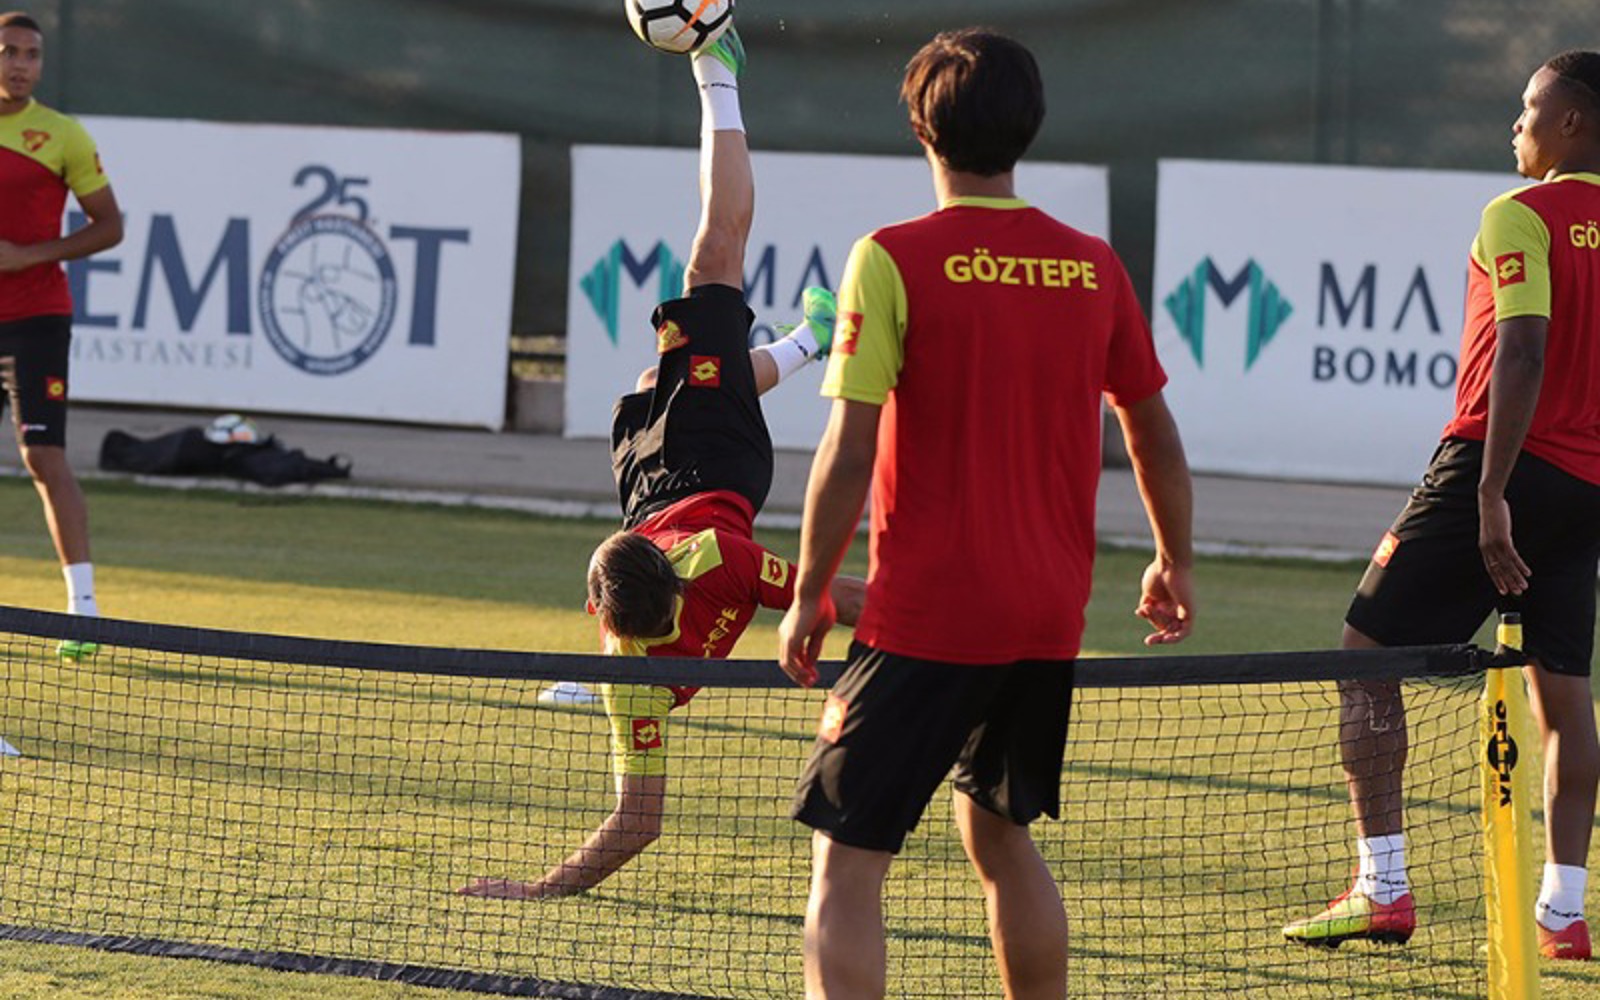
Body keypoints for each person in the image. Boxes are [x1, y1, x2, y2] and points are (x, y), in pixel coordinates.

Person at [777, 28, 1196, 1000]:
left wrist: (807, 591)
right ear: (1030, 127)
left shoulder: (889, 257)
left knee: (846, 862)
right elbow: (1152, 428)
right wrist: (1173, 558)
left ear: (920, 127)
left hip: (927, 615)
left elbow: (847, 448)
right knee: (998, 833)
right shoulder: (1092, 265)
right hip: (1045, 617)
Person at [459, 24, 865, 901]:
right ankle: (718, 67)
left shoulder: (628, 680)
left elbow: (637, 820)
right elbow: (837, 594)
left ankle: (808, 339)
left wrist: (540, 890)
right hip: (714, 467)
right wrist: (938, 630)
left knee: (652, 381)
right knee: (715, 252)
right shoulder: (717, 559)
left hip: (648, 485)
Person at [1282, 51, 1600, 962]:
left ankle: (1382, 887)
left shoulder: (1520, 213)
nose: (1517, 124)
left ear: (1571, 122)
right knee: (1563, 694)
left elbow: (1523, 349)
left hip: (1496, 465)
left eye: (1529, 107)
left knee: (1363, 657)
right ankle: (1563, 913)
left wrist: (1491, 492)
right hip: (1587, 486)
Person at [0, 10, 122, 658]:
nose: (20, 65)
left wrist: (29, 256)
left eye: (31, 54)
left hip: (35, 317)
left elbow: (109, 226)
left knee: (43, 457)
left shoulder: (62, 134)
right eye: (8, 51)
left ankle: (83, 611)